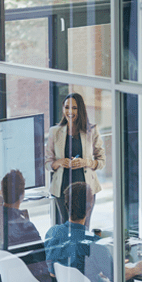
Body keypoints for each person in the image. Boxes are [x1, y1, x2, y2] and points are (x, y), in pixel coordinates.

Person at [45, 92, 105, 228]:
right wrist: (58, 162)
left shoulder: (92, 131)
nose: (70, 111)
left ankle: (81, 250)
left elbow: (101, 161)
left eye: (74, 108)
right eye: (66, 107)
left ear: (81, 110)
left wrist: (86, 162)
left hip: (86, 189)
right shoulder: (55, 132)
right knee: (65, 227)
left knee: (84, 228)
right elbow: (47, 164)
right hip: (62, 189)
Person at [0, 169, 49, 282]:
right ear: (22, 195)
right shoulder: (26, 226)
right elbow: (43, 256)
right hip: (31, 279)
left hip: (9, 277)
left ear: (1, 192)